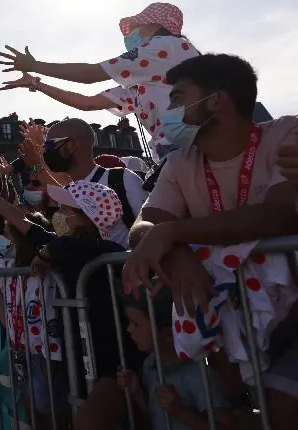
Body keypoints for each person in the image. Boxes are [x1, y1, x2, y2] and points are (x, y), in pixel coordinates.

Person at [123, 54, 298, 429]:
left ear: (215, 100)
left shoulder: (286, 134)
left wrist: (173, 234)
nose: (167, 109)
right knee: (248, 412)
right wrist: (177, 253)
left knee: (281, 411)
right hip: (239, 329)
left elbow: (279, 215)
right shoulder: (180, 162)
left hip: (292, 316)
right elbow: (144, 225)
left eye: (177, 98)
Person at [0, 2, 200, 166]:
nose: (131, 35)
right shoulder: (145, 82)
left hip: (191, 148)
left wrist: (35, 65)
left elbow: (90, 74)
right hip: (173, 153)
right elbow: (88, 103)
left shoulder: (165, 46)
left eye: (137, 27)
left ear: (155, 25)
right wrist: (35, 83)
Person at [118, 287, 234, 429]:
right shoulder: (150, 365)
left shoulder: (200, 374)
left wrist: (181, 412)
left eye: (136, 324)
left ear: (169, 334)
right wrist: (137, 394)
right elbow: (154, 419)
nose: (129, 329)